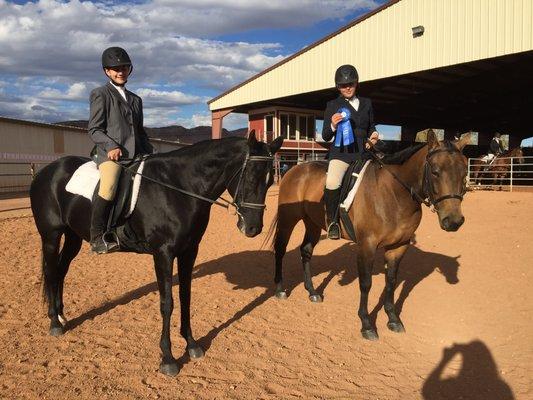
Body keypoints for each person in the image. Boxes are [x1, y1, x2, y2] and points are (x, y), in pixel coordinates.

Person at [88, 46, 154, 254]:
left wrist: (151, 153)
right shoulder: (100, 94)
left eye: (124, 68)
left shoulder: (136, 99)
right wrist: (111, 146)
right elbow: (94, 129)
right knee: (108, 186)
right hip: (111, 155)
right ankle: (97, 237)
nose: (120, 72)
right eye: (115, 68)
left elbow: (140, 132)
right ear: (107, 71)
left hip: (137, 154)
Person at [321, 64, 379, 239]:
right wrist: (332, 124)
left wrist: (374, 134)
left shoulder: (367, 103)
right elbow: (325, 135)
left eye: (350, 84)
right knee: (332, 181)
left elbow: (371, 126)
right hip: (342, 154)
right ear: (338, 87)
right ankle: (332, 222)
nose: (347, 87)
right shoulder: (332, 105)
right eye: (342, 85)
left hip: (364, 153)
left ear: (356, 83)